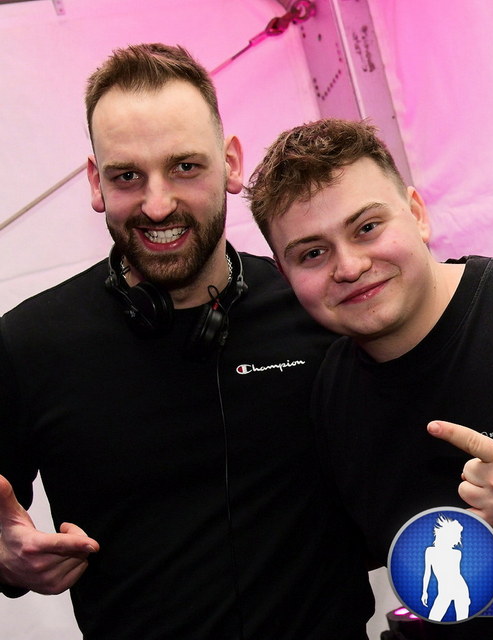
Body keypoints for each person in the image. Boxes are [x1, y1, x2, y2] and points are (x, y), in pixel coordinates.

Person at [0, 46, 374, 639]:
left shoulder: (317, 306)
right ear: (96, 182)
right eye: (127, 176)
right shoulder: (28, 344)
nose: (158, 205)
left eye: (185, 167)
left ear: (230, 164)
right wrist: (7, 557)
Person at [246, 117, 493, 639]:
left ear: (416, 214)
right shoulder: (330, 397)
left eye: (367, 227)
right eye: (312, 253)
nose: (350, 266)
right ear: (285, 275)